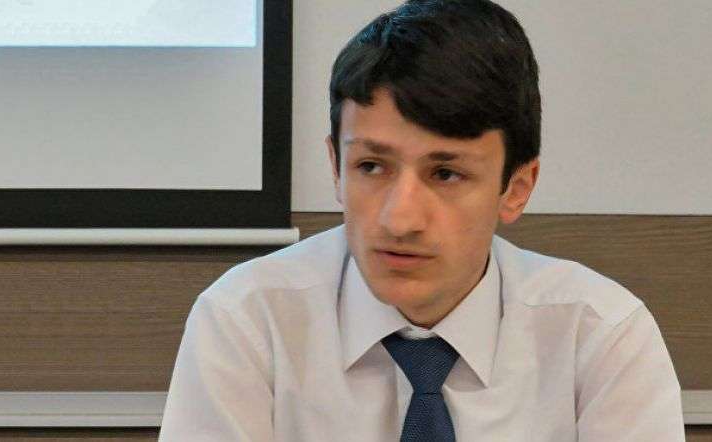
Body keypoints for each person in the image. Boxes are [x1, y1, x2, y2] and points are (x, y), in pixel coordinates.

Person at [159, 0, 685, 440]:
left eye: (446, 174)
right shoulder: (248, 320)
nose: (400, 219)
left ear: (516, 187)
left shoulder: (600, 335)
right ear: (336, 168)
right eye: (371, 167)